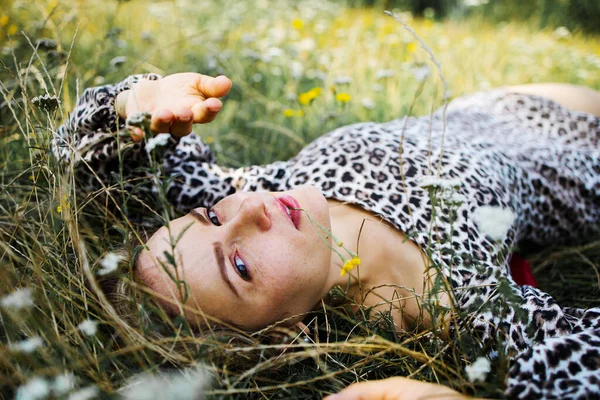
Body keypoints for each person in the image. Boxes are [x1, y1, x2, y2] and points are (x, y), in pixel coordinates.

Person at [54, 72, 600, 399]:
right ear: (281, 338)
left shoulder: (261, 188)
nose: (250, 214)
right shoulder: (450, 304)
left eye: (211, 217)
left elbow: (80, 160)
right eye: (240, 266)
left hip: (487, 105)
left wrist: (138, 102)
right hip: (578, 156)